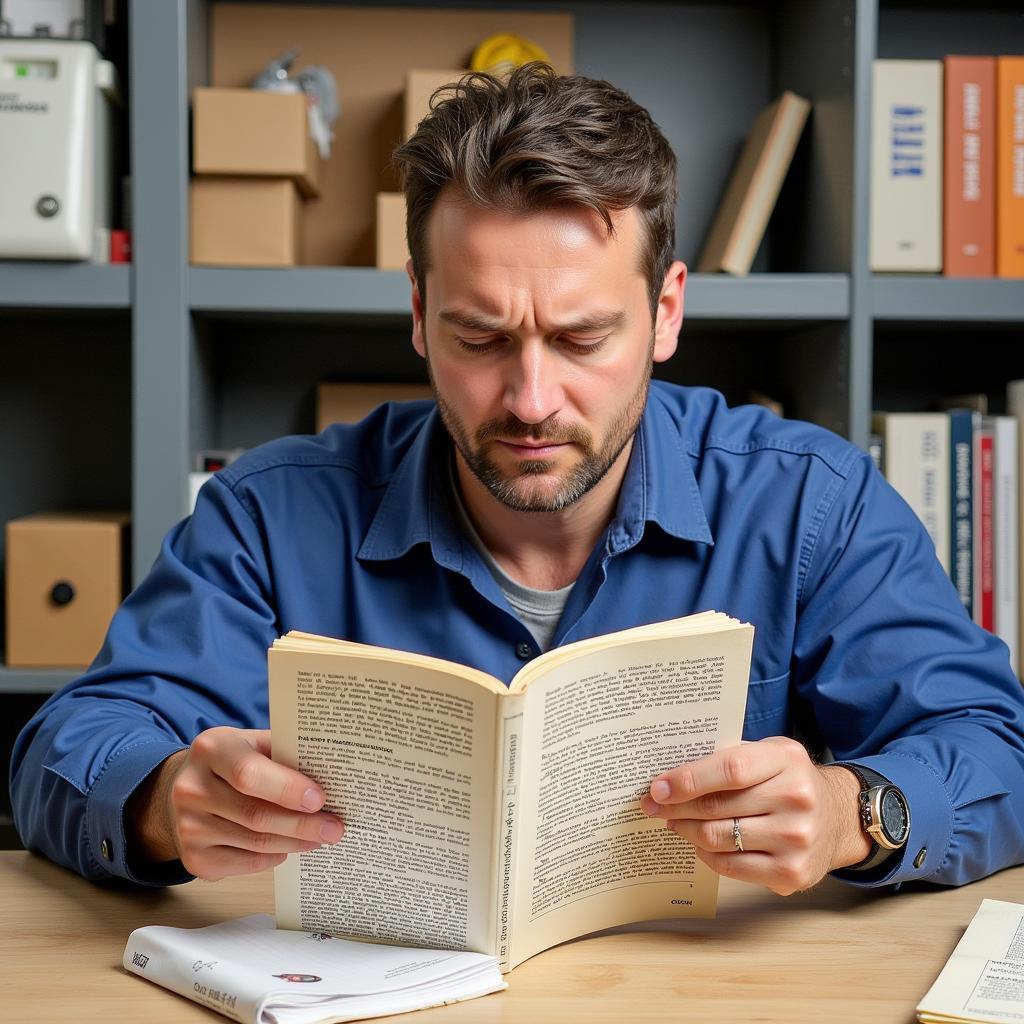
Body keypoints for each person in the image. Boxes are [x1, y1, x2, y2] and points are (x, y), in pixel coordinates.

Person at [11, 64, 1024, 897]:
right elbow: (67, 744)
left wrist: (859, 813)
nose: (532, 397)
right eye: (479, 336)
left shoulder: (812, 503)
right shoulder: (269, 516)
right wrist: (159, 801)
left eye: (583, 337)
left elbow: (995, 749)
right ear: (417, 314)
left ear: (667, 312)